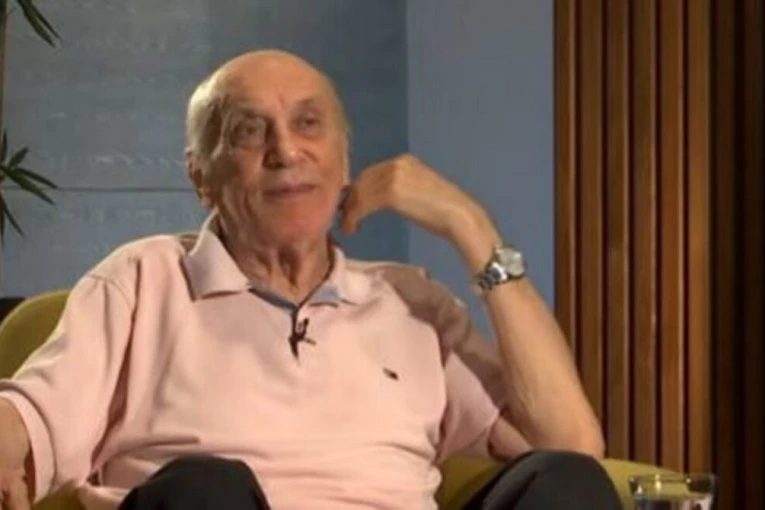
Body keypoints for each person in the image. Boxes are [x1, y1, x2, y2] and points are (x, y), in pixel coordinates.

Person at [0, 50, 619, 510]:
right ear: (200, 176)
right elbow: (31, 415)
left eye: (308, 124)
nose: (286, 151)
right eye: (249, 130)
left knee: (565, 481)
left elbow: (570, 443)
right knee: (204, 485)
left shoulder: (412, 300)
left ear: (344, 160)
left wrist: (471, 227)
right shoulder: (143, 280)